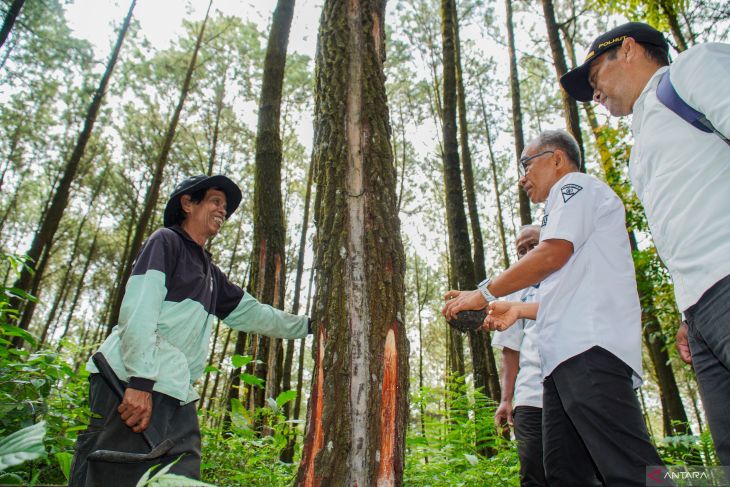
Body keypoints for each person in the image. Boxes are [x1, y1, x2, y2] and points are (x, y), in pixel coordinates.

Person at [443, 129, 665, 486]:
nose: (522, 178)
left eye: (526, 164)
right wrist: (514, 309)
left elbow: (551, 255)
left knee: (630, 469)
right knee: (564, 474)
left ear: (557, 159)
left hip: (590, 350)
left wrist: (481, 294)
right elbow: (562, 292)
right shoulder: (563, 212)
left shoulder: (574, 187)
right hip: (559, 366)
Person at [69, 175, 311, 486]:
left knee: (182, 475)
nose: (223, 210)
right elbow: (139, 309)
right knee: (111, 472)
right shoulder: (165, 242)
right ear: (187, 203)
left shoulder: (211, 274)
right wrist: (140, 381)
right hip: (129, 380)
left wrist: (308, 326)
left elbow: (255, 314)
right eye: (215, 201)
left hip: (175, 390)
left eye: (225, 206)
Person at [560, 22, 730, 465]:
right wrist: (686, 309)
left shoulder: (692, 71)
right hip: (701, 314)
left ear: (629, 49)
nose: (594, 94)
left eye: (595, 77)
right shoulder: (640, 150)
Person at [491, 224, 548, 487]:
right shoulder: (515, 292)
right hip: (530, 397)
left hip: (577, 385)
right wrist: (506, 400)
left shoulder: (568, 273)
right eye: (521, 250)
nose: (527, 253)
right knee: (532, 473)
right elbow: (510, 352)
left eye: (534, 245)